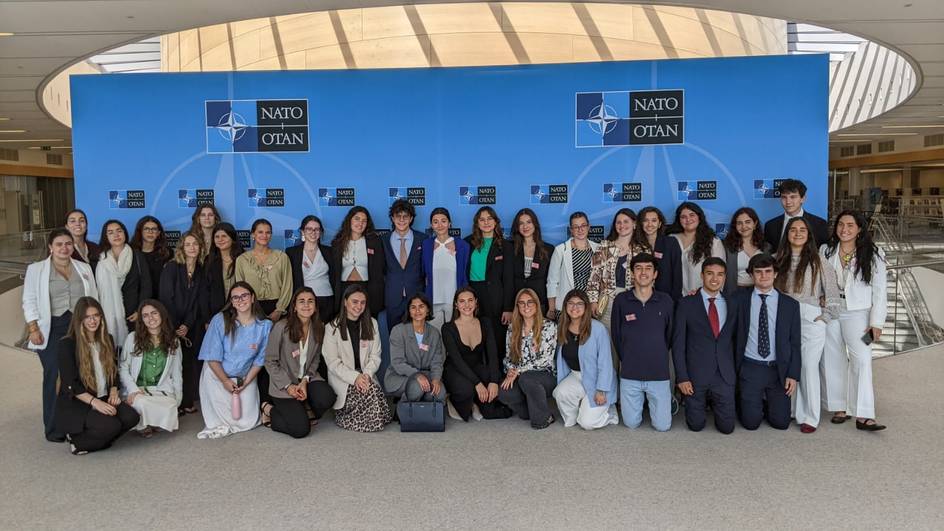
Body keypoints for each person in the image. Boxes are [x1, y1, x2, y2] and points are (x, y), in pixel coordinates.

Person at [22, 228, 98, 442]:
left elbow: (93, 297)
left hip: (79, 326)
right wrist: (33, 328)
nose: (64, 248)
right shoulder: (36, 270)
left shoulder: (83, 268)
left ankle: (78, 423)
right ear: (50, 247)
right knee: (54, 376)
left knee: (80, 375)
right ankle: (54, 428)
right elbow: (29, 300)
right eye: (59, 244)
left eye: (68, 243)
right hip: (51, 327)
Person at [821, 210, 888, 431]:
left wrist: (876, 323)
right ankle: (840, 407)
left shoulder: (874, 254)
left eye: (850, 225)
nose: (844, 229)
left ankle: (864, 414)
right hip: (832, 309)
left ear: (859, 229)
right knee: (833, 357)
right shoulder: (826, 250)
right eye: (841, 224)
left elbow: (880, 291)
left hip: (859, 313)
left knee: (862, 359)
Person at [775, 217, 841, 433]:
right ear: (787, 234)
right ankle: (792, 411)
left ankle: (810, 416)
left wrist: (825, 318)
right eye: (793, 229)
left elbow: (832, 294)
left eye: (802, 229)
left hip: (811, 318)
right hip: (784, 317)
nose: (797, 233)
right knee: (789, 365)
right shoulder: (778, 259)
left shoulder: (819, 261)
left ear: (809, 234)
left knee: (808, 366)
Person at [56, 297, 140, 454]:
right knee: (112, 426)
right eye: (87, 317)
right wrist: (96, 403)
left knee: (132, 417)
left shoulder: (107, 339)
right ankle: (78, 442)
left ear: (101, 317)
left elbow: (113, 371)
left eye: (96, 315)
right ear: (79, 319)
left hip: (103, 396)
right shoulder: (67, 344)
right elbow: (71, 383)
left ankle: (101, 439)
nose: (92, 320)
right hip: (80, 402)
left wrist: (114, 391)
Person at [733, 254, 801, 431]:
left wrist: (793, 374)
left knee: (781, 423)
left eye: (768, 271)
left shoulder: (790, 305)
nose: (764, 276)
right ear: (751, 275)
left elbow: (795, 343)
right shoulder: (739, 299)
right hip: (750, 367)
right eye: (758, 272)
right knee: (750, 423)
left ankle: (766, 401)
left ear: (776, 274)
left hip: (777, 370)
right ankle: (752, 402)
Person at [197, 282, 272, 439]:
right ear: (231, 301)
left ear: (252, 298)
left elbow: (260, 360)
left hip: (245, 376)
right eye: (235, 297)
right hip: (217, 375)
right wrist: (225, 381)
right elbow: (211, 356)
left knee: (248, 421)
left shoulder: (265, 325)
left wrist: (246, 382)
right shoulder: (220, 320)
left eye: (244, 295)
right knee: (221, 421)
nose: (240, 300)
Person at [672, 258, 738, 434]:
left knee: (727, 428)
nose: (715, 279)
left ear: (725, 277)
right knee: (696, 426)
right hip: (695, 375)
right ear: (702, 275)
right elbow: (678, 344)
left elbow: (738, 341)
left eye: (720, 274)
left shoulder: (733, 303)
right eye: (710, 273)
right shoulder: (686, 304)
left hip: (723, 375)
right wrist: (682, 378)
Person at [261, 288, 337, 438]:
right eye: (301, 301)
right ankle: (268, 410)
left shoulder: (319, 327)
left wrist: (305, 380)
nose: (306, 305)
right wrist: (288, 386)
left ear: (315, 306)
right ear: (294, 306)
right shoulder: (282, 327)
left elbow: (316, 358)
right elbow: (270, 361)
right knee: (301, 430)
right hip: (284, 383)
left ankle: (303, 409)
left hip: (306, 379)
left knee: (327, 397)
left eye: (310, 301)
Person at [611, 253, 674, 431]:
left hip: (658, 374)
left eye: (648, 268)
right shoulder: (621, 301)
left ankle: (665, 402)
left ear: (655, 274)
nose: (643, 272)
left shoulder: (666, 301)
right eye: (638, 268)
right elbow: (616, 336)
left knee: (662, 426)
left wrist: (656, 351)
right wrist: (629, 358)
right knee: (631, 423)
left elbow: (670, 335)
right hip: (630, 374)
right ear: (632, 273)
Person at [323, 285, 392, 432]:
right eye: (354, 302)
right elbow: (333, 363)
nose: (359, 306)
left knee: (371, 391)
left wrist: (365, 375)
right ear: (345, 302)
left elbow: (375, 356)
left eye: (362, 302)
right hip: (344, 378)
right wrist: (355, 378)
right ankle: (345, 417)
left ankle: (361, 416)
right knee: (370, 398)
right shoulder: (331, 328)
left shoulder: (372, 323)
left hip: (366, 375)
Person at [552, 289, 618, 430]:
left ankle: (610, 413)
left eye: (579, 304)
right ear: (565, 306)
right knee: (560, 392)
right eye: (571, 303)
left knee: (587, 423)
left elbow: (605, 362)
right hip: (576, 376)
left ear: (586, 307)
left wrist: (601, 390)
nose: (574, 307)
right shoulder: (562, 328)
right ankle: (576, 415)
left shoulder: (598, 329)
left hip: (597, 379)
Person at [440, 287, 508, 421]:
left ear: (476, 302)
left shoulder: (485, 322)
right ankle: (456, 400)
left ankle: (477, 401)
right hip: (455, 369)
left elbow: (493, 354)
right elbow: (457, 360)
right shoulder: (447, 328)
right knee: (467, 390)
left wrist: (493, 381)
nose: (467, 305)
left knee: (490, 411)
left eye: (470, 300)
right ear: (456, 304)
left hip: (476, 367)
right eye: (462, 301)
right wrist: (478, 384)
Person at [159, 231, 208, 416]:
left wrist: (187, 325)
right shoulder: (172, 267)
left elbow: (198, 301)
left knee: (189, 363)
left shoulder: (200, 270)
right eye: (188, 244)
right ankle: (173, 403)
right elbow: (166, 298)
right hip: (170, 324)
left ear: (201, 247)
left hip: (190, 325)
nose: (192, 248)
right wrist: (176, 325)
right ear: (181, 247)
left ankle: (187, 401)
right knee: (172, 364)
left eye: (195, 244)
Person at [119, 300, 183, 436]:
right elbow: (123, 368)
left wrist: (178, 398)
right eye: (145, 315)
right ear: (141, 319)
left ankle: (152, 421)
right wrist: (133, 390)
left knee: (171, 404)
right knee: (140, 402)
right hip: (138, 390)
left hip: (161, 389)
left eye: (154, 313)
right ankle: (144, 425)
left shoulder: (174, 340)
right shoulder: (133, 338)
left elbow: (177, 372)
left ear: (162, 315)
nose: (150, 318)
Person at [498, 288, 558, 429]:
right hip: (521, 375)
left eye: (530, 302)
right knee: (504, 391)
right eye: (522, 303)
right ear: (517, 307)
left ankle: (543, 419)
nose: (526, 306)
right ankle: (530, 411)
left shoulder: (549, 326)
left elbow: (545, 360)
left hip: (545, 376)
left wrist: (518, 371)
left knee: (527, 379)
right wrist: (511, 370)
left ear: (536, 304)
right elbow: (509, 357)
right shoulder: (513, 328)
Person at [587, 208, 645, 336]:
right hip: (607, 301)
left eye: (626, 221)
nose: (622, 225)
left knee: (631, 337)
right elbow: (594, 276)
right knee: (607, 338)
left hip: (634, 299)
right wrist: (593, 301)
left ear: (634, 224)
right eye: (618, 222)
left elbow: (648, 279)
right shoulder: (604, 246)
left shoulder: (642, 250)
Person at [465, 206, 514, 354]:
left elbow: (509, 279)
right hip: (474, 295)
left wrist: (508, 308)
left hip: (496, 298)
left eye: (489, 218)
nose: (486, 222)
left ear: (495, 221)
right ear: (477, 223)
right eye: (482, 219)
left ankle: (498, 373)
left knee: (497, 338)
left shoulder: (506, 246)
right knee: (476, 337)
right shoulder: (467, 243)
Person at [95, 219, 152, 348]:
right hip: (108, 316)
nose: (116, 235)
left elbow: (146, 285)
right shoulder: (100, 260)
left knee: (134, 351)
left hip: (134, 316)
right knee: (111, 352)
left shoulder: (137, 255)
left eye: (119, 231)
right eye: (110, 232)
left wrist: (140, 310)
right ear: (106, 237)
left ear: (125, 233)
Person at [385, 293, 446, 403]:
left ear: (428, 310)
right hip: (400, 376)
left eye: (421, 306)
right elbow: (397, 362)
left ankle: (417, 407)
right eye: (413, 307)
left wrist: (436, 379)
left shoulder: (434, 333)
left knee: (439, 394)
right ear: (409, 311)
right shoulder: (398, 331)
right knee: (416, 388)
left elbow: (437, 362)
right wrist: (416, 375)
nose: (417, 311)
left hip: (426, 376)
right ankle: (403, 409)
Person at [331, 206, 386, 318]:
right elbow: (333, 272)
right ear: (349, 220)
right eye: (357, 219)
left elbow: (380, 269)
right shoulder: (338, 243)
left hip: (367, 288)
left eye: (364, 221)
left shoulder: (374, 242)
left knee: (367, 323)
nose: (360, 223)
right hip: (344, 289)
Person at [235, 218, 292, 322]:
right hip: (251, 308)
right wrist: (249, 310)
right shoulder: (242, 260)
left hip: (277, 308)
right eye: (260, 232)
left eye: (268, 232)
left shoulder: (282, 257)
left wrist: (279, 310)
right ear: (253, 235)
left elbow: (287, 286)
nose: (264, 236)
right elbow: (239, 288)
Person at [383, 199, 427, 332]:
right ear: (392, 218)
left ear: (411, 218)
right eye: (398, 216)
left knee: (418, 336)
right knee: (394, 336)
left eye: (405, 216)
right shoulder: (383, 240)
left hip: (416, 297)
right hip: (393, 298)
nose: (401, 220)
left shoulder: (423, 239)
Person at [546, 211, 600, 319]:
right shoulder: (560, 250)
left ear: (589, 227)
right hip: (566, 306)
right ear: (571, 230)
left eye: (583, 225)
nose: (580, 229)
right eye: (576, 227)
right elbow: (552, 282)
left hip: (589, 305)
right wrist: (551, 309)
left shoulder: (598, 249)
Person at [422, 207, 469, 328]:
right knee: (434, 335)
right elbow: (423, 271)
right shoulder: (426, 245)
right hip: (433, 299)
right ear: (431, 225)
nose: (440, 225)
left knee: (454, 335)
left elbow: (465, 273)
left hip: (454, 300)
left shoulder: (462, 245)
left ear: (450, 223)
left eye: (443, 221)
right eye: (435, 221)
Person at [666, 202, 725, 296]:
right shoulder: (671, 239)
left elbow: (719, 272)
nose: (688, 219)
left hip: (702, 297)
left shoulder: (713, 242)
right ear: (679, 220)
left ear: (699, 217)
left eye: (692, 215)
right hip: (675, 297)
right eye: (683, 217)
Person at [286, 215, 335, 324]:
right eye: (309, 229)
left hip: (326, 300)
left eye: (317, 229)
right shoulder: (292, 252)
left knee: (325, 335)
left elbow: (335, 277)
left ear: (321, 232)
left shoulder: (330, 252)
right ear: (302, 231)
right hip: (304, 302)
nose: (313, 232)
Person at [763, 178, 829, 251]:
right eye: (784, 197)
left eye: (793, 197)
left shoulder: (819, 224)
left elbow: (823, 252)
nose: (788, 201)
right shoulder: (770, 226)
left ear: (803, 199)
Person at [509, 208, 554, 315]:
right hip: (516, 304)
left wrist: (551, 307)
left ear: (535, 224)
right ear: (517, 227)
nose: (525, 226)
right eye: (521, 223)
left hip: (540, 304)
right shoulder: (509, 248)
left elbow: (551, 281)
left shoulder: (548, 249)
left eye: (529, 222)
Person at [634, 206, 682, 302]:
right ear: (641, 224)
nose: (649, 224)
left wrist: (674, 302)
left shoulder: (670, 243)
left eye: (654, 220)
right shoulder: (635, 245)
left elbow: (677, 275)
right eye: (646, 220)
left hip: (666, 299)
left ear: (659, 224)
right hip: (640, 299)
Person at [722, 207, 769, 296]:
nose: (744, 226)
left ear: (755, 224)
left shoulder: (766, 248)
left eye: (748, 222)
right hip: (735, 292)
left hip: (760, 292)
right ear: (735, 226)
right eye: (739, 223)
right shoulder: (727, 247)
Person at [205, 222, 245, 317]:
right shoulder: (209, 260)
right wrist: (207, 318)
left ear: (232, 238)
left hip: (241, 311)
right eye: (217, 237)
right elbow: (205, 291)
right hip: (216, 314)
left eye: (224, 236)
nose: (220, 240)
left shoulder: (244, 258)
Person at [130, 215, 171, 297]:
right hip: (138, 301)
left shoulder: (167, 253)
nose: (150, 232)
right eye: (146, 229)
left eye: (154, 229)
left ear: (158, 233)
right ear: (140, 232)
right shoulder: (131, 253)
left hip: (161, 300)